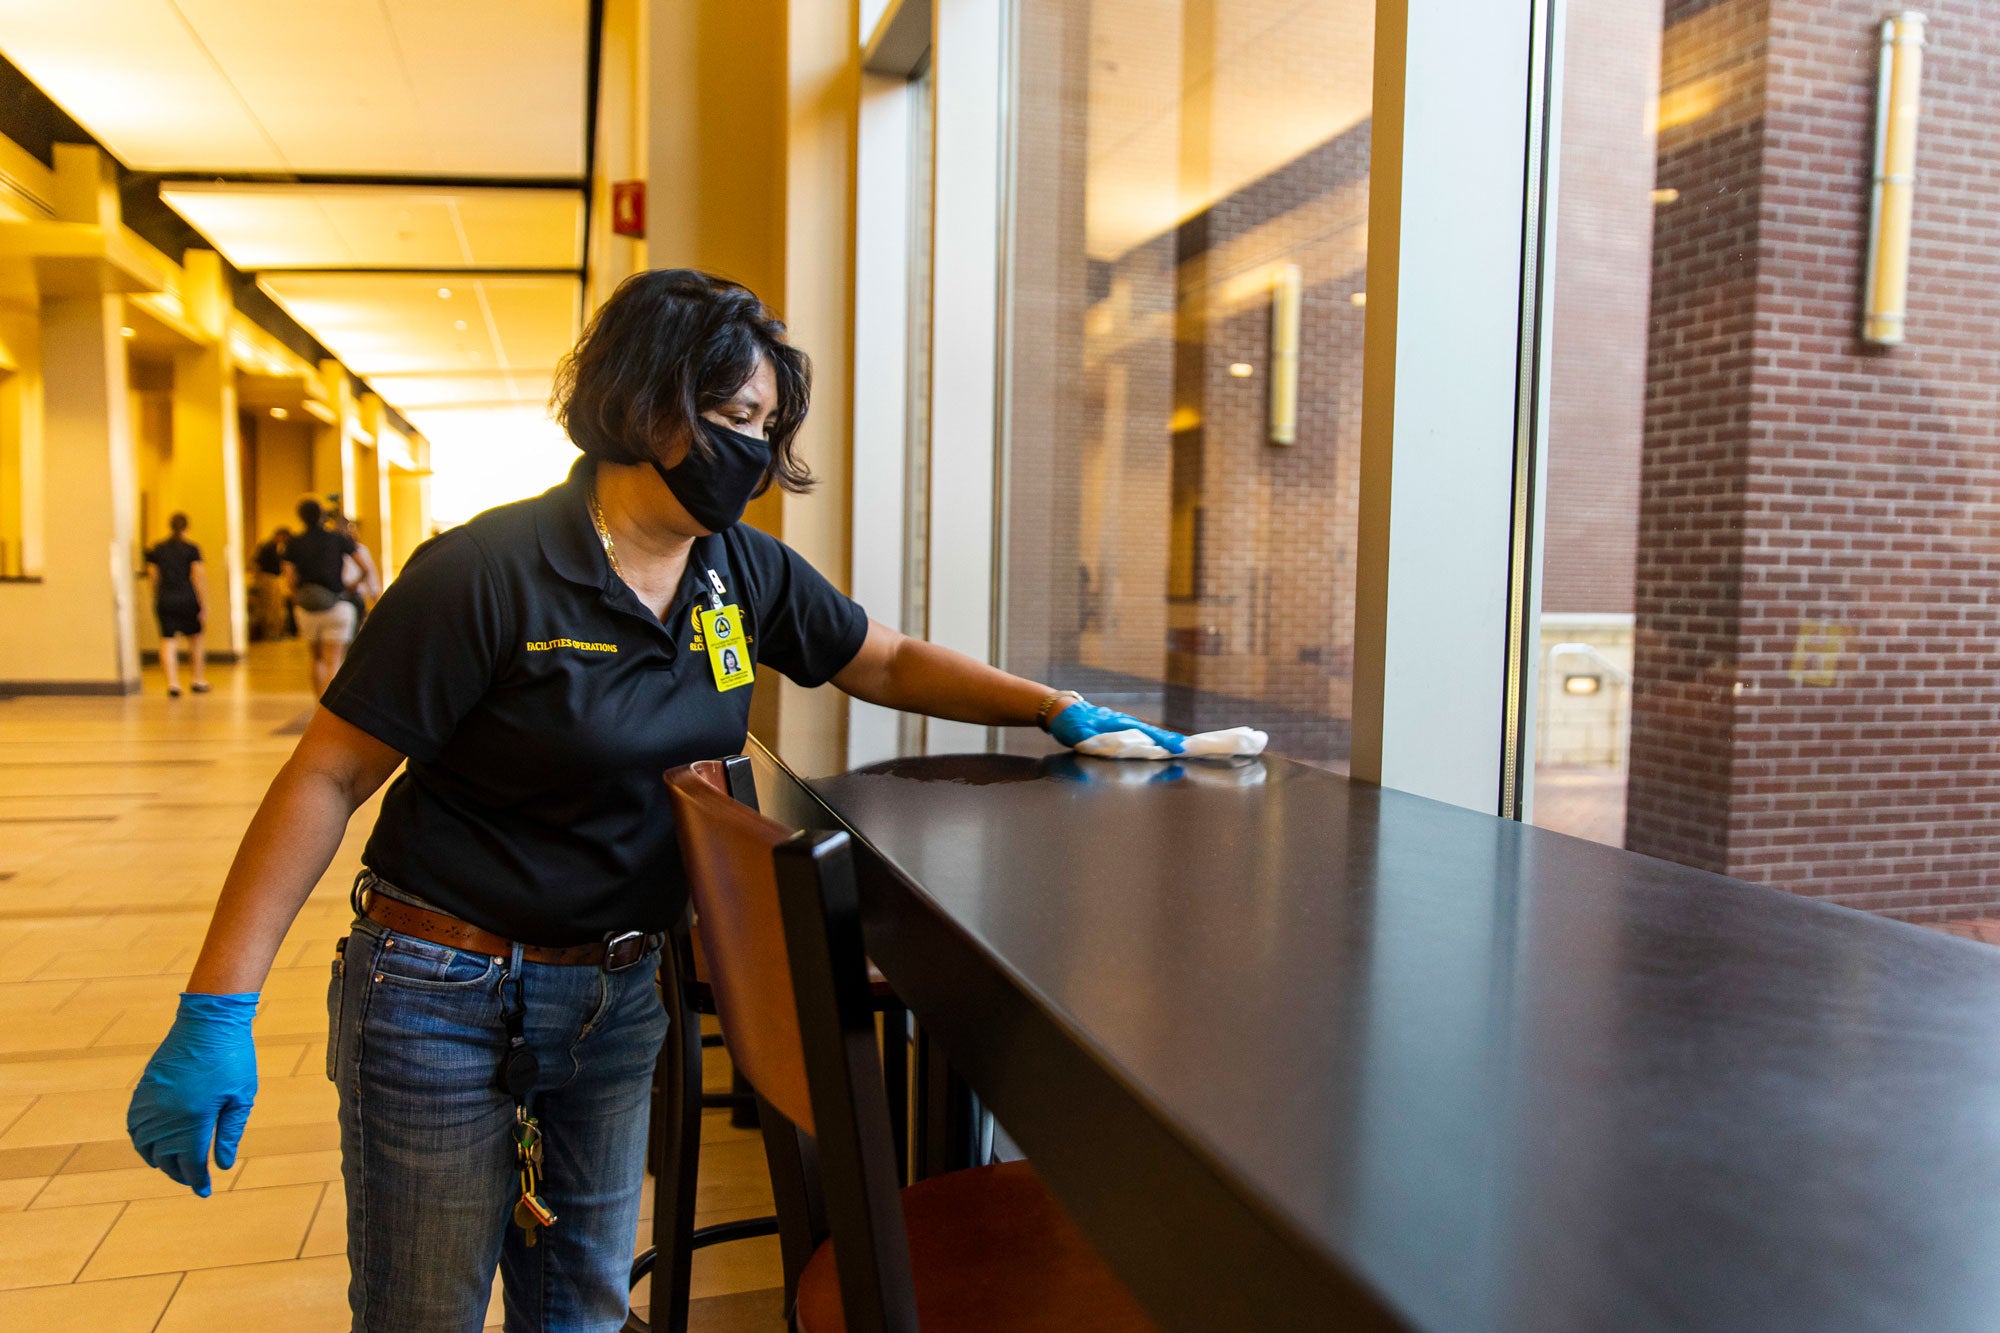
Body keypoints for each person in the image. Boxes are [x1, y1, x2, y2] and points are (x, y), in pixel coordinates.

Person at [123, 270, 1183, 1333]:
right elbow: (329, 773)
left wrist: (1056, 707)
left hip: (616, 993)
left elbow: (885, 659)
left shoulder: (737, 571)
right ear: (644, 406)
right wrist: (218, 1006)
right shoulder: (485, 573)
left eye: (767, 427)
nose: (756, 454)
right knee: (423, 1313)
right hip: (439, 990)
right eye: (734, 419)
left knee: (580, 1309)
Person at [284, 498, 377, 696]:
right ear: (322, 516)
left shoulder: (293, 543)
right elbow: (364, 568)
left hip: (307, 606)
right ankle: (330, 707)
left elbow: (289, 576)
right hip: (336, 604)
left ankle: (317, 704)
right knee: (332, 660)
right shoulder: (337, 539)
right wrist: (350, 586)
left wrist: (297, 596)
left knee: (315, 658)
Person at [145, 513, 210, 697]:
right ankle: (197, 679)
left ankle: (172, 683)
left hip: (165, 597)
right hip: (187, 597)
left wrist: (157, 595)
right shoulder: (191, 549)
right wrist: (203, 602)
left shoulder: (157, 549)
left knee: (168, 640)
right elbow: (197, 576)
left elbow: (153, 576)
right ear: (187, 528)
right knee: (195, 639)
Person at [329, 510, 381, 631]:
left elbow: (370, 574)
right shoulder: (331, 551)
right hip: (336, 597)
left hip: (354, 595)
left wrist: (376, 599)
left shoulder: (360, 550)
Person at [250, 526, 291, 642]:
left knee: (275, 607)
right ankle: (272, 633)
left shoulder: (270, 546)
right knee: (271, 607)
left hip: (271, 578)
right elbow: (257, 564)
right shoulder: (269, 547)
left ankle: (275, 632)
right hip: (268, 578)